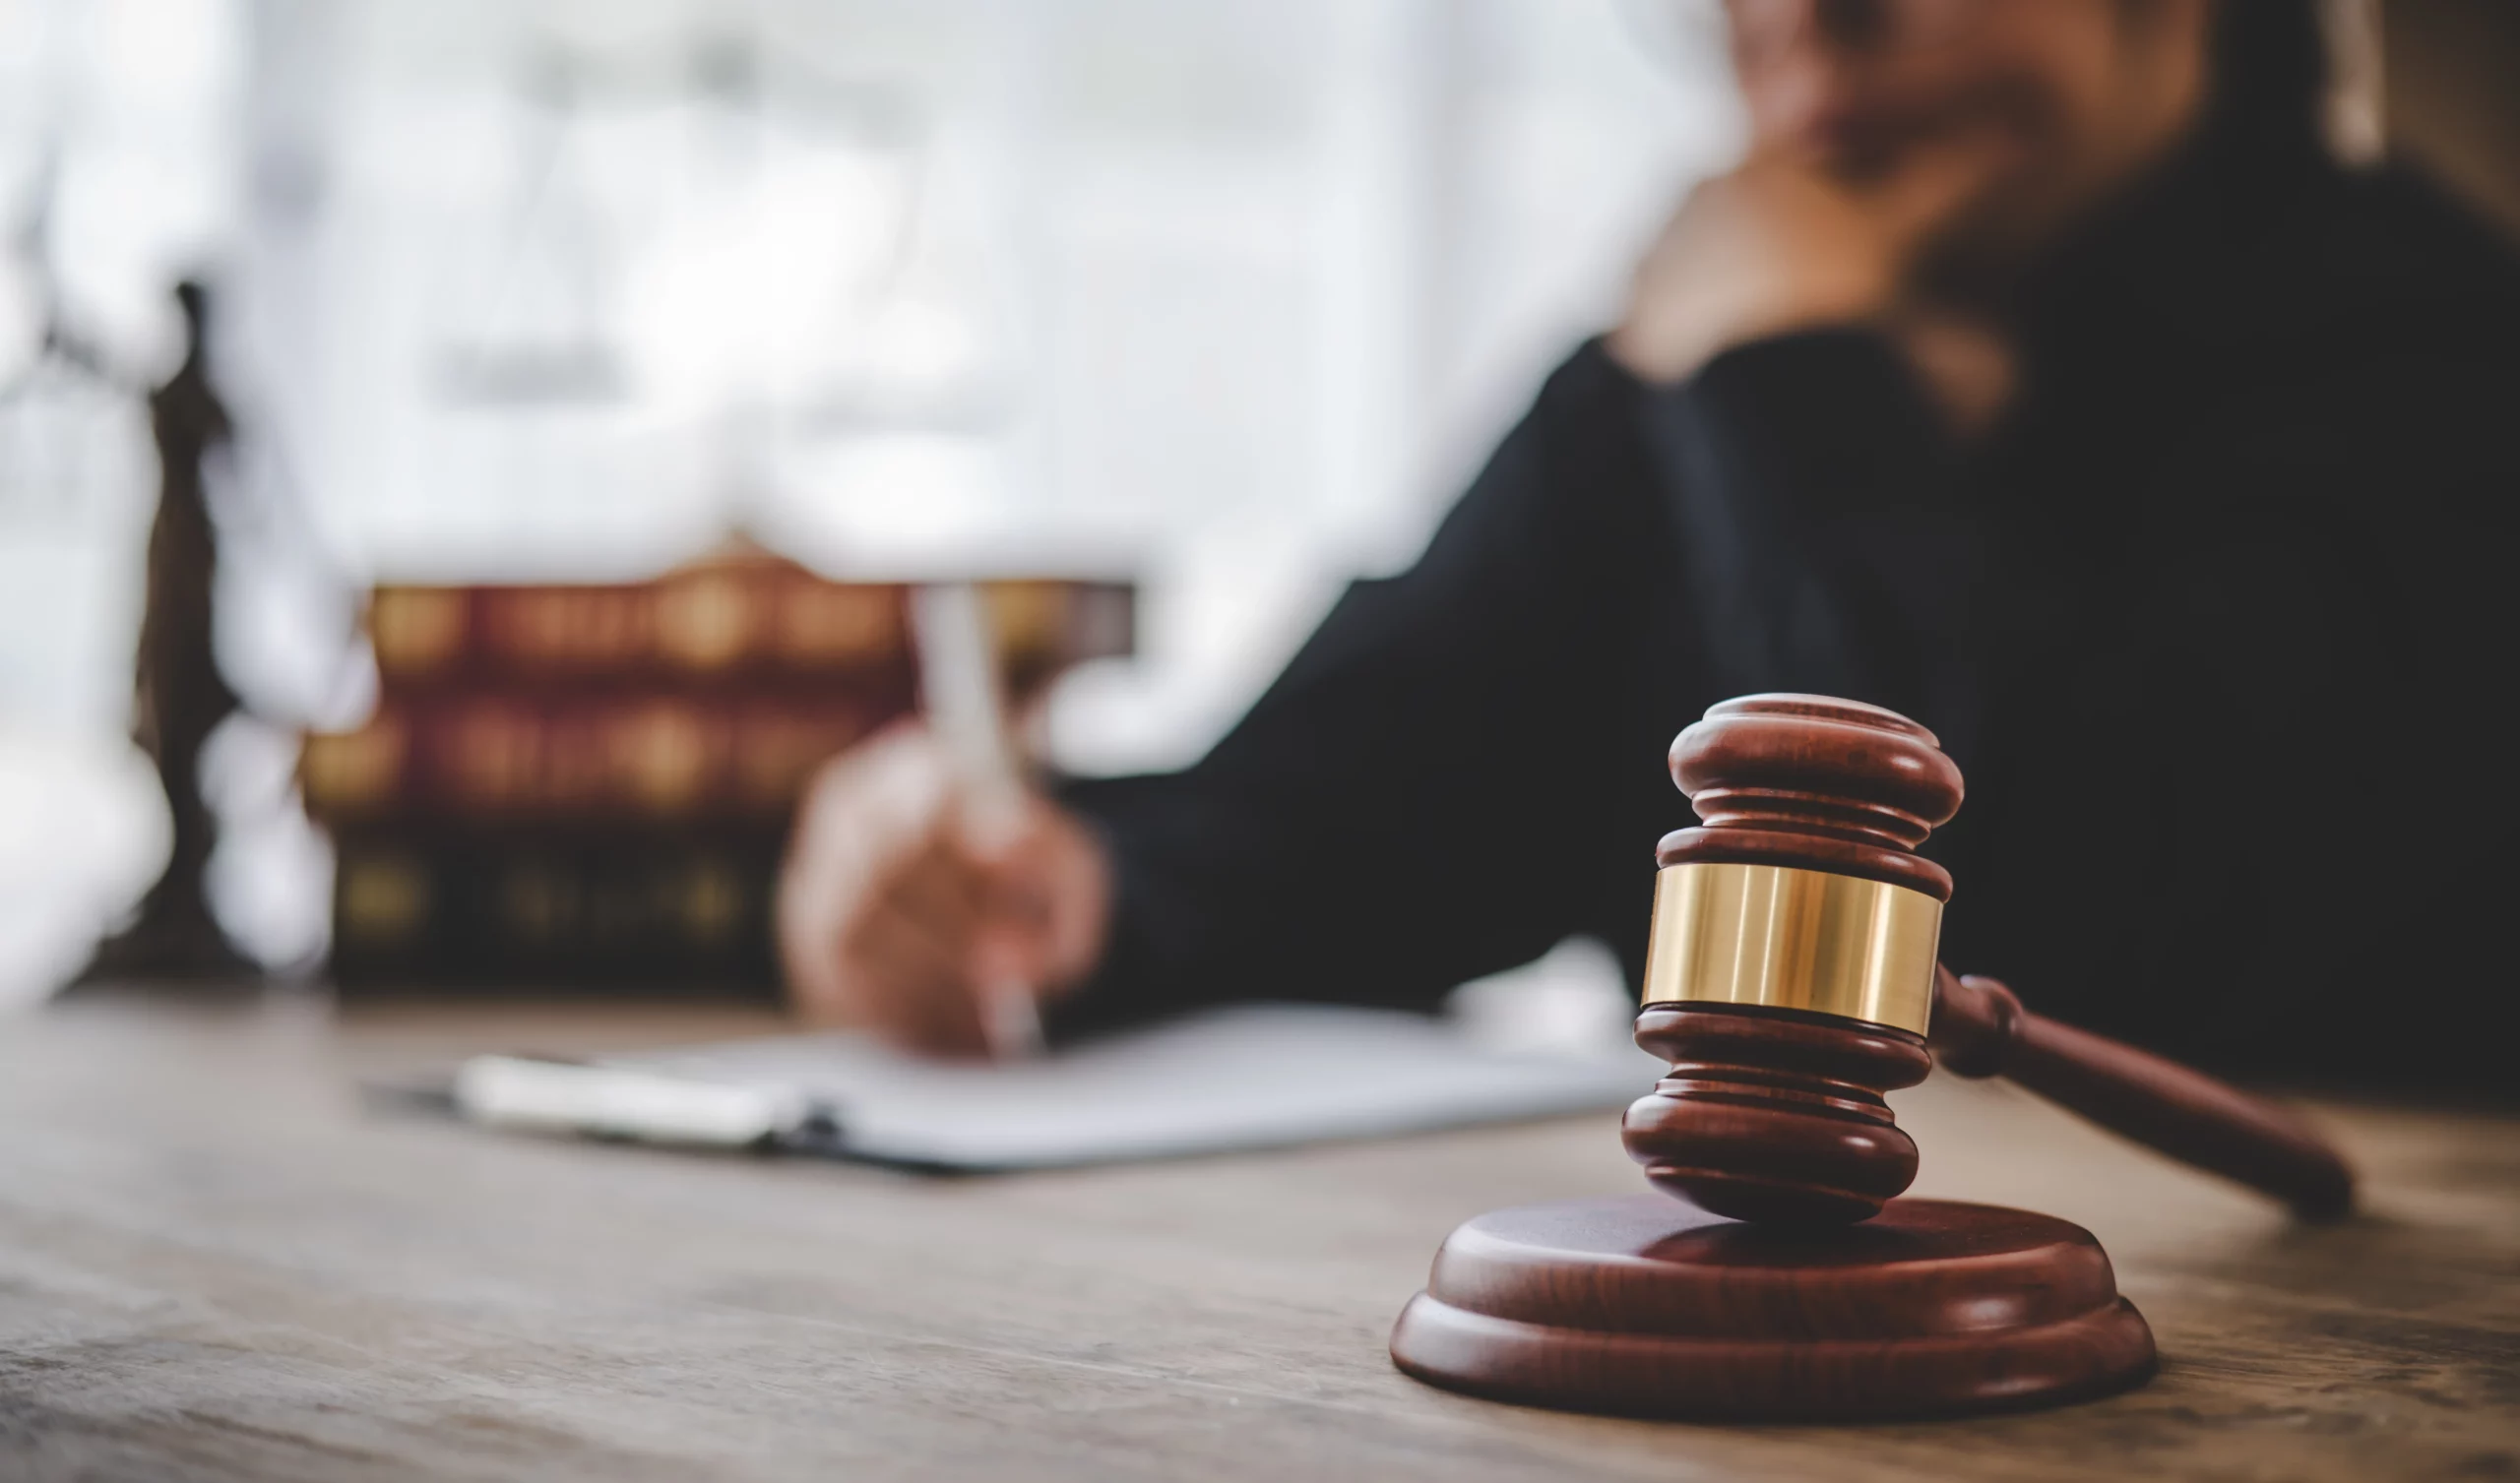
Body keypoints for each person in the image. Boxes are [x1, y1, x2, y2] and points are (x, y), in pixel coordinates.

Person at [778, 0, 2520, 1084]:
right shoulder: (1702, 358)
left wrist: (1801, 385)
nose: (1803, 31)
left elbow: (2073, 946)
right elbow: (1370, 800)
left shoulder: (2439, 376)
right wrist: (1063, 890)